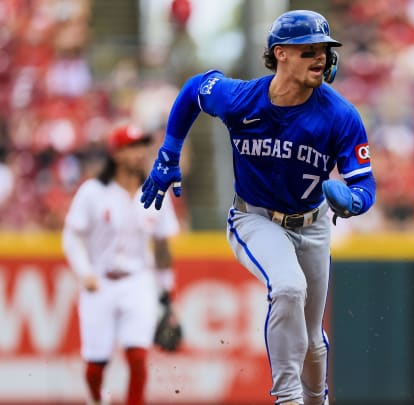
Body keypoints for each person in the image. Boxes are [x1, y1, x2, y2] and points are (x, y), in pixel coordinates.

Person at [139, 9, 376, 405]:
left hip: (313, 224)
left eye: (324, 49)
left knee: (313, 340)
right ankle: (287, 398)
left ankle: (316, 400)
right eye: (309, 50)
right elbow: (195, 89)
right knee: (287, 287)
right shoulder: (241, 98)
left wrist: (353, 201)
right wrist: (168, 153)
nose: (321, 57)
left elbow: (363, 182)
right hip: (255, 218)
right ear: (280, 53)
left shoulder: (340, 115)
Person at [62, 124, 180, 405]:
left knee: (137, 356)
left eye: (142, 145)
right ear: (116, 153)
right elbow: (71, 236)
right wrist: (84, 272)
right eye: (133, 146)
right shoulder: (93, 191)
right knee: (95, 366)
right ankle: (97, 400)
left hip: (138, 280)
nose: (140, 152)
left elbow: (162, 247)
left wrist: (167, 293)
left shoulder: (156, 191)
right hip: (99, 282)